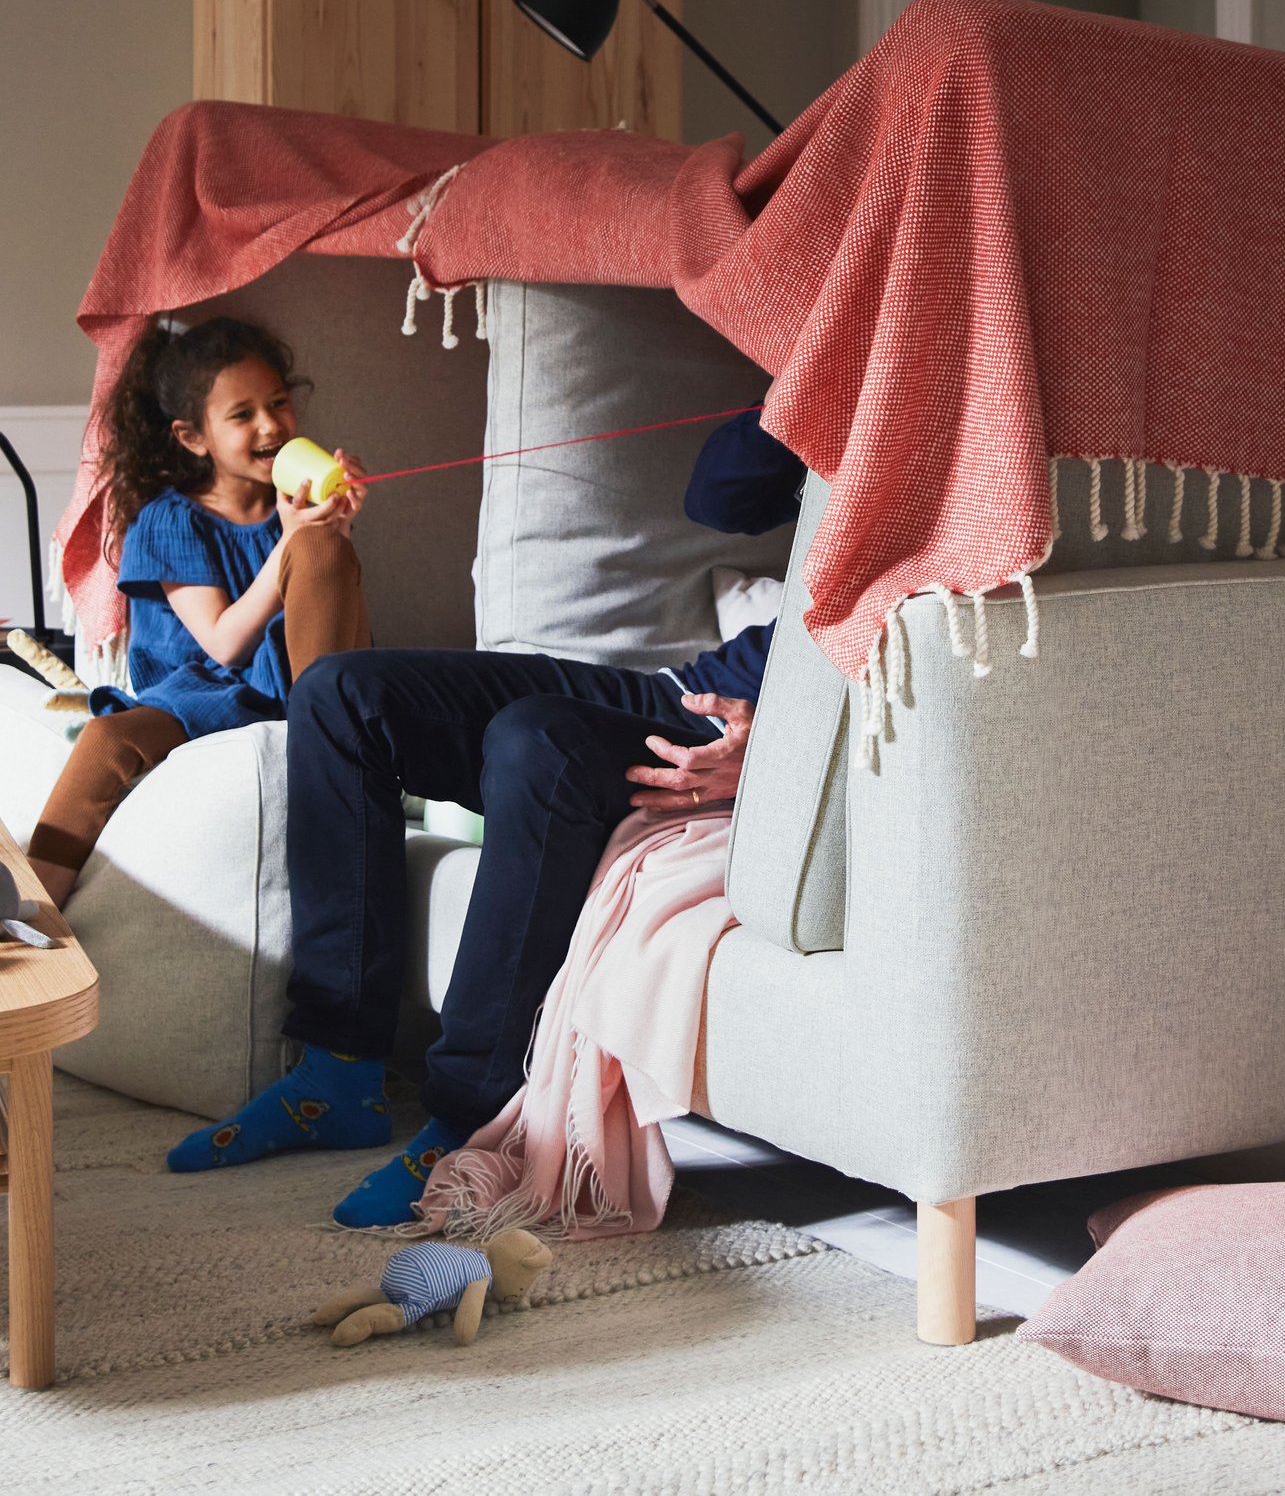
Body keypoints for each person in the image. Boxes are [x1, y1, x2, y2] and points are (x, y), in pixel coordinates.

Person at [167, 404, 806, 1229]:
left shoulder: (983, 458)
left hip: (751, 729)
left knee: (533, 739)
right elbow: (722, 496)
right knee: (341, 693)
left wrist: (777, 750)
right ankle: (335, 1076)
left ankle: (470, 1116)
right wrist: (815, 374)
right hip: (678, 691)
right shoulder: (863, 381)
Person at [28, 318, 370, 908]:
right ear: (193, 437)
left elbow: (332, 621)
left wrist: (331, 536)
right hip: (201, 692)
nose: (270, 425)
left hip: (301, 688)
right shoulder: (170, 520)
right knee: (107, 740)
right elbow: (223, 644)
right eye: (242, 415)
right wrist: (291, 544)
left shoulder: (296, 514)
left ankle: (340, 745)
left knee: (324, 550)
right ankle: (31, 905)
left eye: (279, 403)